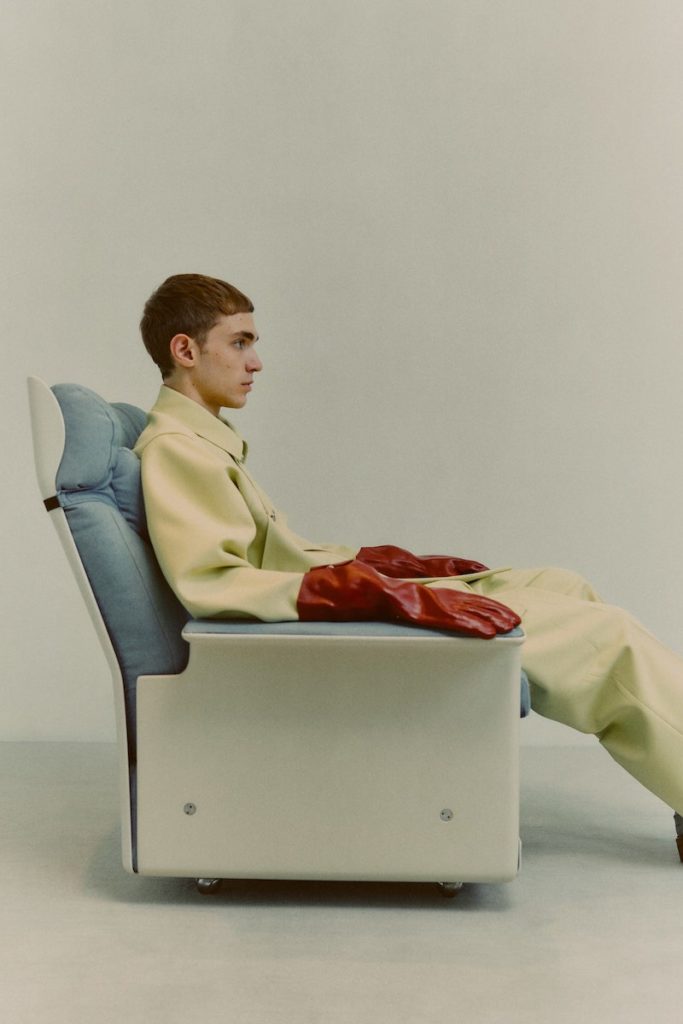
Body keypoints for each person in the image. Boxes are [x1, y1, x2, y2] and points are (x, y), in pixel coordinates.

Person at [134, 272, 683, 860]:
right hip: (306, 638)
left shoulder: (204, 441)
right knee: (608, 638)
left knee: (562, 584)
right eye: (239, 342)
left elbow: (268, 552)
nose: (256, 362)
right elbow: (214, 583)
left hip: (314, 611)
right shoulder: (178, 451)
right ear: (185, 350)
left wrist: (381, 566)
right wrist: (369, 591)